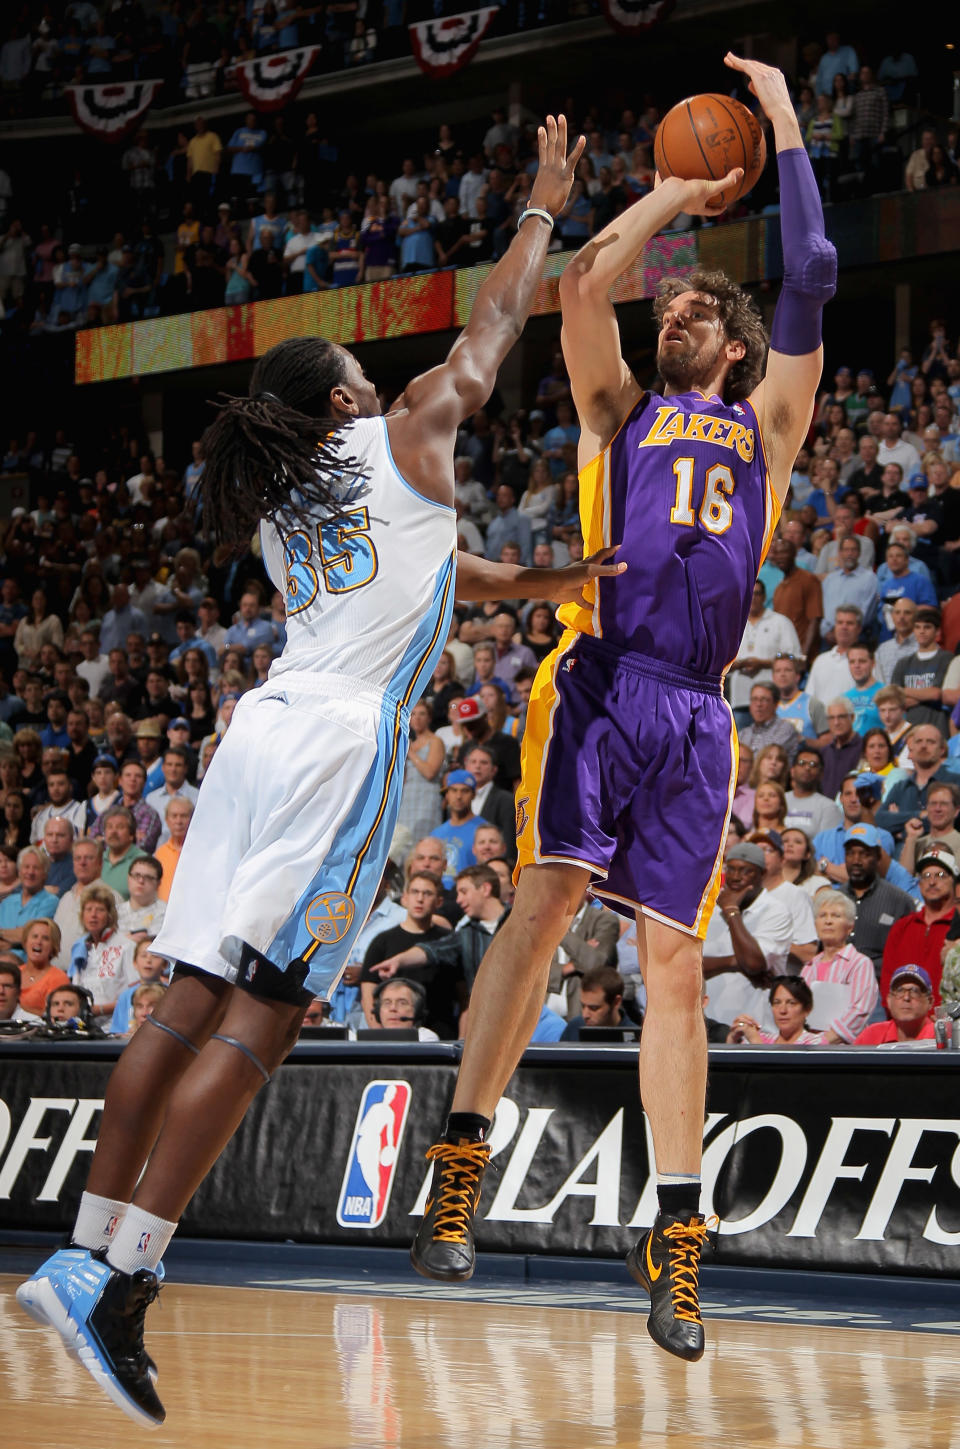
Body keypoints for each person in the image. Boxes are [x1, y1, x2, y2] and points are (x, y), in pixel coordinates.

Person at [16, 116, 614, 1428]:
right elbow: (496, 329)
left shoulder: (295, 496)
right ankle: (126, 1282)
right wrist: (540, 209)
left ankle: (83, 1245)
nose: (382, 374)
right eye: (362, 367)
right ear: (348, 393)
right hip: (343, 745)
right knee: (268, 1017)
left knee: (182, 1000)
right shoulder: (405, 431)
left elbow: (446, 574)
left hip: (261, 729)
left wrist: (558, 579)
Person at [413, 58, 839, 1365]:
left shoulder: (769, 426)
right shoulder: (617, 413)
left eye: (703, 307)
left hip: (699, 721)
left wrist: (778, 122)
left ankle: (678, 1243)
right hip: (600, 685)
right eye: (683, 306)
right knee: (540, 900)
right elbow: (587, 280)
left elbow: (813, 267)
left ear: (738, 348)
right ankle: (461, 1159)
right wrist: (669, 191)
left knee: (668, 968)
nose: (682, 312)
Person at [878, 845, 957, 1005]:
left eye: (940, 875)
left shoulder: (957, 925)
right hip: (904, 1019)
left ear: (953, 881)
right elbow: (888, 979)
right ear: (919, 884)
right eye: (926, 876)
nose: (932, 882)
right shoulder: (902, 927)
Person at [801, 890, 879, 1040]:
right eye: (822, 915)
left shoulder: (859, 963)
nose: (828, 921)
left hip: (843, 1050)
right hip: (808, 1046)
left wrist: (823, 1042)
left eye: (835, 916)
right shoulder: (808, 967)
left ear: (850, 927)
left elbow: (859, 1011)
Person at [68, 884, 139, 1022]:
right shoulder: (79, 948)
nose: (93, 915)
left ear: (110, 915)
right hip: (84, 1024)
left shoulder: (127, 946)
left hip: (116, 1024)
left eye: (100, 910)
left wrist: (99, 1010)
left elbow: (135, 994)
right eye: (88, 909)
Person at [727, 974, 820, 1045]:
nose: (782, 1010)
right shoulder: (763, 1038)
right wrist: (733, 1038)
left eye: (791, 1003)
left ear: (807, 1010)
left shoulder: (815, 1043)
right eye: (777, 1003)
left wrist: (755, 1042)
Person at [854, 965, 935, 1044]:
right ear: (889, 1000)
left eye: (915, 991)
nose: (906, 997)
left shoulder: (941, 1038)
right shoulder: (871, 1035)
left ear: (930, 1002)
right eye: (899, 990)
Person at [560, 965, 628, 1038]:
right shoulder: (574, 1028)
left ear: (616, 1002)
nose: (585, 1015)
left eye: (594, 1008)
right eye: (583, 1006)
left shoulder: (635, 1040)